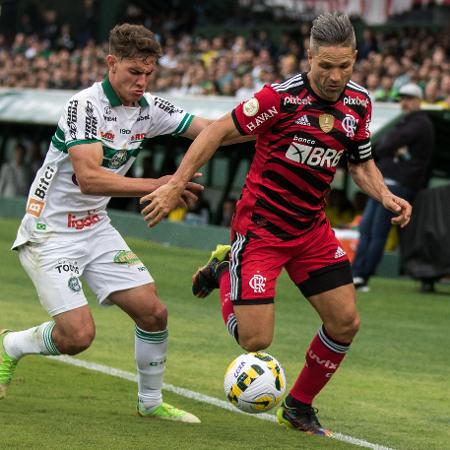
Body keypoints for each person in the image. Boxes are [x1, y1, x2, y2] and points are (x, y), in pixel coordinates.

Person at [140, 13, 412, 435]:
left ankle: (299, 407)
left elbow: (360, 164)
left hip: (310, 231)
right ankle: (227, 268)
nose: (335, 76)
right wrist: (176, 185)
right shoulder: (279, 99)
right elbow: (213, 132)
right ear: (309, 56)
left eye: (344, 66)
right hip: (262, 230)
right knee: (255, 341)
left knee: (345, 322)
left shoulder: (359, 102)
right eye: (325, 66)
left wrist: (386, 195)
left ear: (355, 58)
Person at [0, 23, 214, 423]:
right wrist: (160, 185)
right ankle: (11, 344)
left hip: (94, 225)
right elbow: (89, 178)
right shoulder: (84, 106)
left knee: (153, 313)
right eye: (134, 72)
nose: (142, 81)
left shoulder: (148, 108)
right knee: (78, 337)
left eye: (149, 73)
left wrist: (266, 124)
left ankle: (150, 403)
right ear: (111, 64)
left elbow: (210, 130)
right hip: (50, 232)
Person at [352, 82, 434, 292]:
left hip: (399, 184)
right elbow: (383, 145)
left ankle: (363, 275)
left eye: (408, 99)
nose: (403, 103)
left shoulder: (419, 123)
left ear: (417, 100)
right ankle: (355, 273)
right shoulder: (404, 121)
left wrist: (387, 147)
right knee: (366, 228)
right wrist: (387, 148)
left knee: (378, 230)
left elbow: (386, 143)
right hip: (385, 182)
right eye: (402, 99)